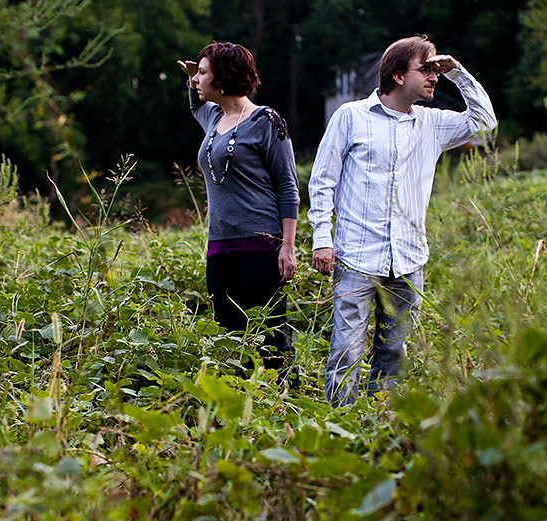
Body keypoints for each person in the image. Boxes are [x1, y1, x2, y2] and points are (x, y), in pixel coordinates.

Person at [308, 35, 497, 406]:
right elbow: (322, 181)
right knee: (346, 350)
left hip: (409, 259)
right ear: (397, 76)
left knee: (394, 351)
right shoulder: (350, 117)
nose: (434, 77)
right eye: (425, 70)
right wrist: (321, 239)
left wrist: (457, 73)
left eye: (435, 70)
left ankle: (380, 421)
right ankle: (338, 424)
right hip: (356, 257)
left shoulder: (432, 124)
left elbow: (485, 122)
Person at [177, 42, 300, 375]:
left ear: (224, 78)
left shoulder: (265, 120)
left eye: (203, 73)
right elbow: (195, 104)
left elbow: (288, 186)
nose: (196, 79)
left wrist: (287, 247)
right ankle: (240, 403)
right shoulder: (214, 117)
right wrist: (193, 78)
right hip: (219, 247)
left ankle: (285, 399)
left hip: (261, 247)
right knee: (228, 336)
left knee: (270, 337)